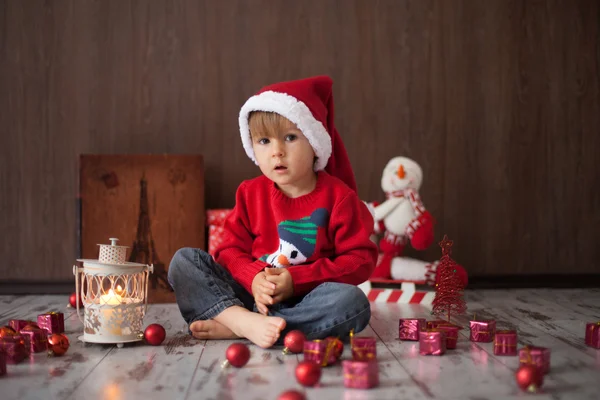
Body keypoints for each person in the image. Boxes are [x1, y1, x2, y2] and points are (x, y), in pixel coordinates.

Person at [168, 75, 378, 348]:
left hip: (306, 299)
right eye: (264, 141)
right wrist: (253, 277)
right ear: (252, 146)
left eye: (290, 137)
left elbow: (360, 260)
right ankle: (242, 318)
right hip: (247, 294)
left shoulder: (338, 197)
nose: (277, 152)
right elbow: (228, 251)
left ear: (315, 143)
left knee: (353, 303)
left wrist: (297, 280)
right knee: (183, 261)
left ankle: (237, 326)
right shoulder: (250, 192)